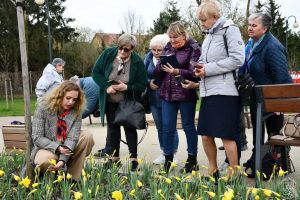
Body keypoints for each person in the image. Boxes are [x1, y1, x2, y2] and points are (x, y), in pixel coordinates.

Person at [195, 0, 245, 178]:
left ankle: (234, 171)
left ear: (215, 17)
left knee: (226, 135)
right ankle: (212, 169)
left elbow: (238, 59)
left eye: (203, 20)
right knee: (206, 135)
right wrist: (199, 67)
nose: (202, 24)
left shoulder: (230, 30)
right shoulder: (208, 34)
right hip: (207, 91)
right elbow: (205, 59)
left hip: (225, 92)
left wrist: (208, 69)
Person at [240, 13, 292, 170]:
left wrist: (279, 104)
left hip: (272, 100)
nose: (250, 27)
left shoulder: (272, 47)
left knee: (274, 134)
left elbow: (282, 76)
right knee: (258, 133)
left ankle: (275, 165)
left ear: (265, 28)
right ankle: (258, 159)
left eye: (254, 25)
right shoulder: (253, 43)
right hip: (259, 98)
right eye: (249, 24)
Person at [92, 33, 147, 171]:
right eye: (120, 47)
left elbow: (142, 84)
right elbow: (96, 73)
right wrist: (107, 87)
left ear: (132, 49)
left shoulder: (138, 62)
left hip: (127, 102)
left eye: (126, 49)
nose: (122, 51)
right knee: (113, 128)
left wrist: (127, 88)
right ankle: (114, 160)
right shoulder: (108, 54)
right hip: (110, 100)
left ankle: (134, 159)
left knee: (129, 128)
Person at [154, 21, 201, 173]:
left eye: (175, 37)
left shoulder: (193, 48)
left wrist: (177, 71)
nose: (172, 41)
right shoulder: (168, 47)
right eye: (170, 37)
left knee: (188, 127)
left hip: (185, 92)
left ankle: (192, 159)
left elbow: (194, 73)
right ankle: (168, 160)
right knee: (167, 127)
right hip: (167, 94)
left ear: (184, 35)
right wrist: (160, 65)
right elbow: (157, 73)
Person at [31, 81, 95, 181]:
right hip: (47, 148)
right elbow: (37, 137)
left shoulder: (76, 111)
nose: (71, 103)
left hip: (67, 147)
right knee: (45, 161)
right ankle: (51, 180)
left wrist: (62, 160)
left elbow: (72, 139)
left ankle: (72, 177)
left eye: (74, 100)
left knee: (87, 136)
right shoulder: (43, 107)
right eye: (68, 98)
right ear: (59, 95)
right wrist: (57, 148)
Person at [144, 34, 179, 165]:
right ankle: (164, 152)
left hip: (168, 98)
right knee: (160, 128)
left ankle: (173, 154)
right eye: (154, 50)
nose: (156, 53)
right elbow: (142, 76)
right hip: (153, 99)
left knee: (169, 127)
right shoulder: (147, 58)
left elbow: (175, 75)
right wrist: (149, 83)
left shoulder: (170, 58)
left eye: (159, 50)